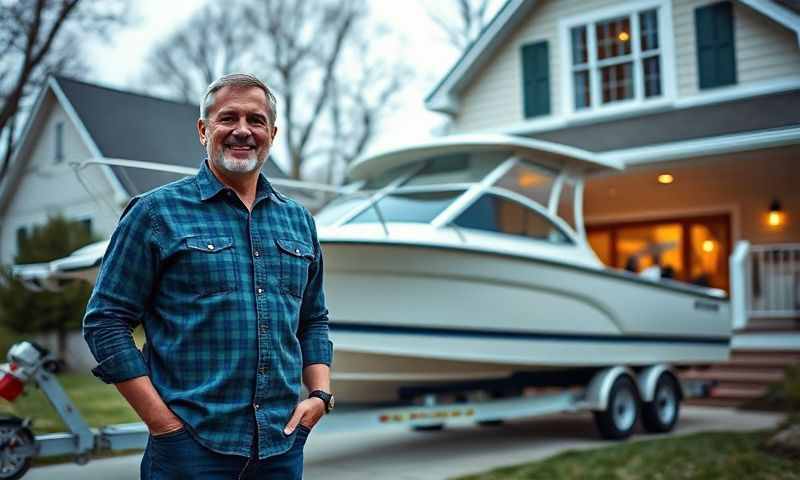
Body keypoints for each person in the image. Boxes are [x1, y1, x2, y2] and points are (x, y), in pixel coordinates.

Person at [83, 73, 334, 479]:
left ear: (272, 133)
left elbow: (313, 318)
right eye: (227, 118)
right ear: (204, 130)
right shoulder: (155, 213)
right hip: (190, 449)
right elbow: (105, 321)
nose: (242, 130)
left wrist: (319, 395)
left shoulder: (299, 221)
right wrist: (163, 426)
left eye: (255, 120)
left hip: (281, 447)